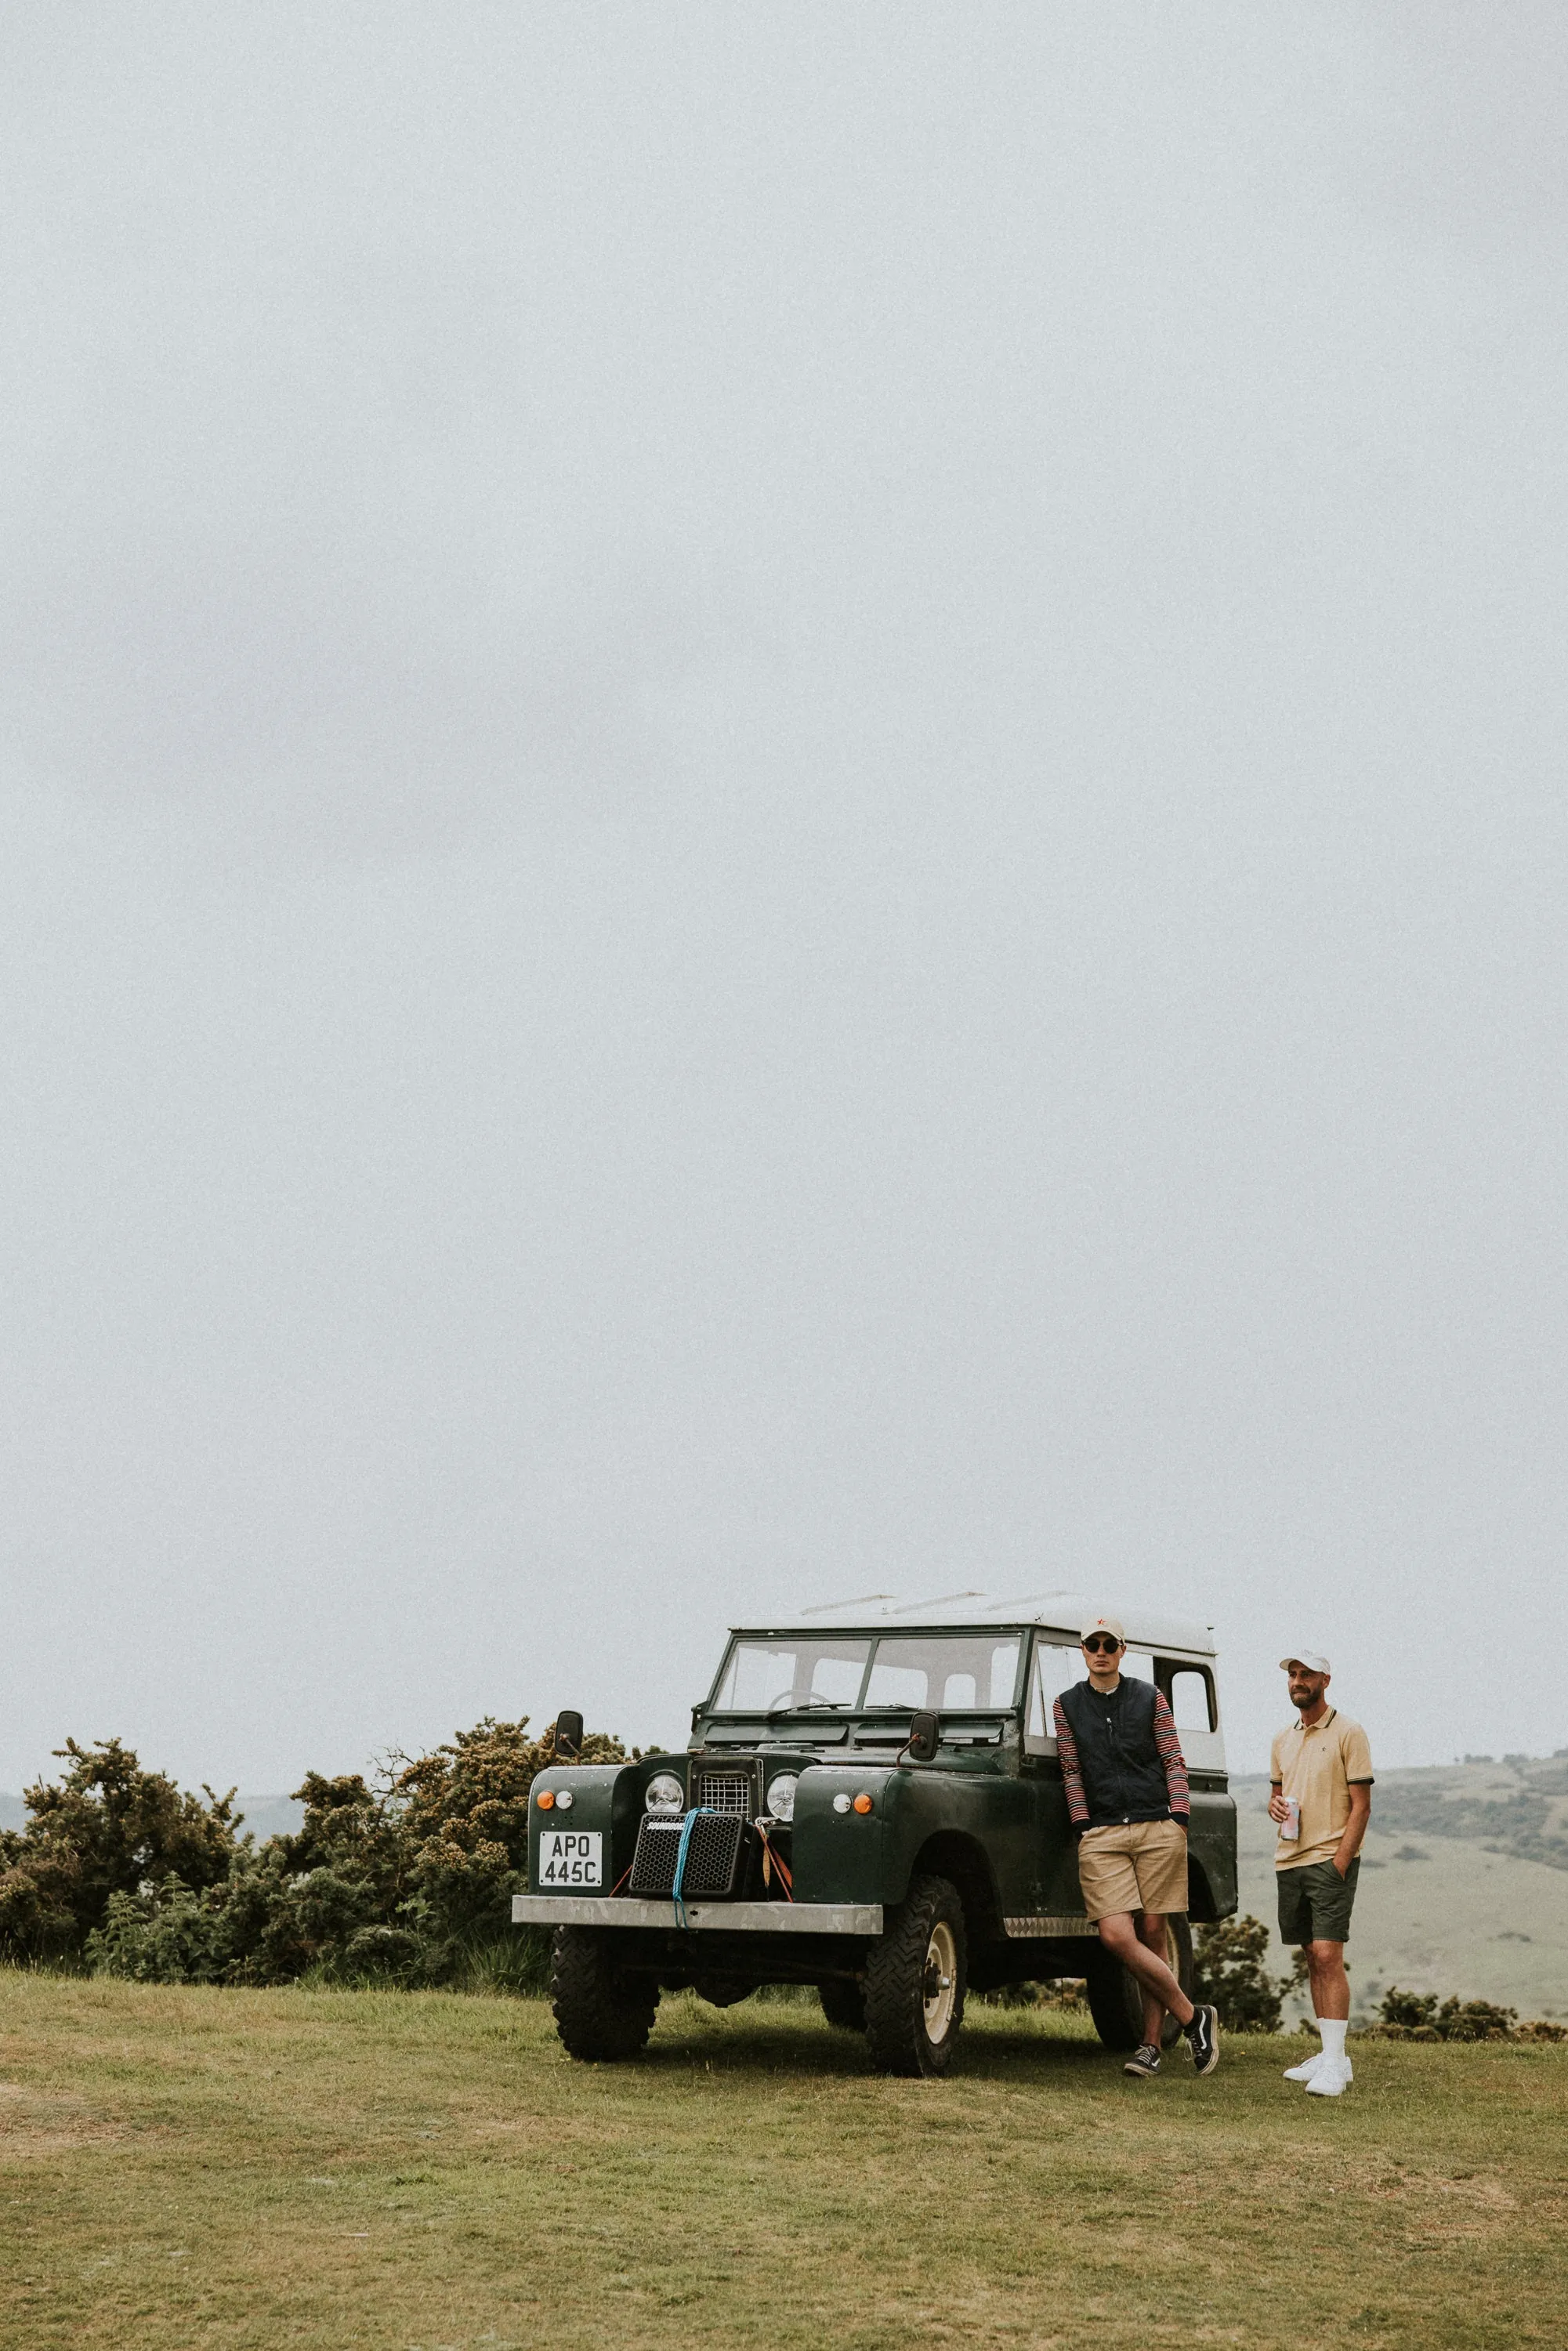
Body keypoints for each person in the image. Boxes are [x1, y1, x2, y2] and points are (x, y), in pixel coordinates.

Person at [1053, 1613, 1219, 2080]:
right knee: (1115, 1936)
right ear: (1083, 1651)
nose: (1101, 1652)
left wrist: (1179, 1819)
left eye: (1110, 1644)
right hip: (1102, 1834)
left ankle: (1150, 2046)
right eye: (1093, 1645)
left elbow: (1172, 1759)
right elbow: (1071, 1769)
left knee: (1152, 1932)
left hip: (1157, 1827)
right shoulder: (1066, 1705)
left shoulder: (1149, 1697)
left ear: (1122, 1651)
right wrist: (1084, 1825)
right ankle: (1193, 2017)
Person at [1269, 1649, 1373, 2098]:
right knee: (1311, 1955)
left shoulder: (1349, 1731)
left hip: (1330, 1860)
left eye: (1306, 1674)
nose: (1297, 1681)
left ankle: (1334, 2062)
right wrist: (1273, 1806)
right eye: (1292, 1674)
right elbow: (1278, 1797)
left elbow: (1362, 1805)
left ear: (1325, 1680)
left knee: (1329, 1956)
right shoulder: (1282, 1738)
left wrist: (1341, 1862)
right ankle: (1333, 2057)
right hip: (1290, 1860)